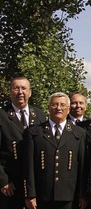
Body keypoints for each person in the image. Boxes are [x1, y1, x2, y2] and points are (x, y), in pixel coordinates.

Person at [23, 92, 86, 209]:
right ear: (48, 107)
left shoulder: (79, 133)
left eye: (62, 105)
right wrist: (30, 194)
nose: (58, 108)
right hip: (42, 194)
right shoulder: (34, 132)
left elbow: (82, 166)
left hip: (69, 195)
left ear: (68, 109)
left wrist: (82, 194)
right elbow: (29, 166)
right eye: (54, 105)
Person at [0, 76, 46, 209]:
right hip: (10, 183)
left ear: (30, 92)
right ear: (10, 91)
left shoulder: (39, 115)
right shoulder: (2, 115)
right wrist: (3, 180)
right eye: (16, 88)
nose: (20, 92)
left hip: (35, 183)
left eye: (24, 88)